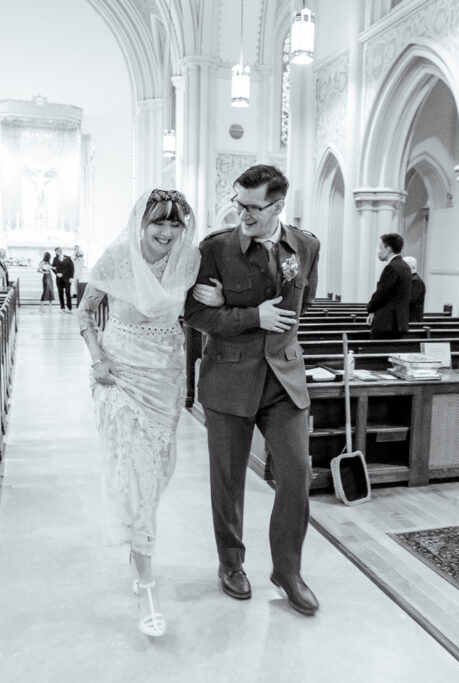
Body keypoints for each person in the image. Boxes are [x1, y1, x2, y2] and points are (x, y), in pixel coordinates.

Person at [77, 189, 222, 637]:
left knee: (156, 475)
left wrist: (214, 304)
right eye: (159, 222)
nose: (166, 231)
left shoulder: (188, 260)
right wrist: (97, 359)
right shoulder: (119, 257)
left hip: (165, 380)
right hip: (120, 377)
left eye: (175, 223)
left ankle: (136, 540)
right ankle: (146, 582)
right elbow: (85, 313)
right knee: (135, 472)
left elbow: (198, 310)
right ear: (142, 222)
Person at [183, 164, 321, 617]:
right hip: (229, 378)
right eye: (237, 203)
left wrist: (245, 309)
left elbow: (301, 308)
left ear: (278, 206)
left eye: (251, 207)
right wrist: (249, 316)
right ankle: (231, 565)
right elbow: (196, 316)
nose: (241, 212)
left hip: (283, 379)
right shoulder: (216, 249)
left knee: (297, 472)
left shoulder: (305, 246)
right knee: (228, 479)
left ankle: (288, 570)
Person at [366, 233, 411, 339]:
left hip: (386, 324)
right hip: (399, 323)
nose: (378, 251)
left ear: (389, 249)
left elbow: (382, 293)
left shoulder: (392, 267)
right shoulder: (405, 267)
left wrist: (370, 309)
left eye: (380, 247)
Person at [402, 255, 426, 322]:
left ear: (411, 267)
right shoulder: (411, 280)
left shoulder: (416, 281)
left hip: (413, 320)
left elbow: (411, 299)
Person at [52, 246, 74, 312]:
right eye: (57, 251)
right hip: (59, 279)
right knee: (60, 293)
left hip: (67, 278)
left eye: (60, 250)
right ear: (55, 252)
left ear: (61, 250)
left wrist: (71, 277)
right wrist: (56, 273)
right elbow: (53, 268)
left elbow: (72, 268)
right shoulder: (55, 259)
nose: (59, 251)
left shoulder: (68, 258)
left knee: (67, 292)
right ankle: (62, 307)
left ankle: (69, 308)